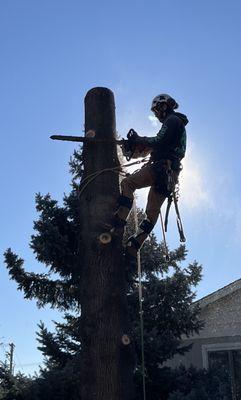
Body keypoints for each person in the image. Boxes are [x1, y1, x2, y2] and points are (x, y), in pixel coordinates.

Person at [112, 94, 188, 258]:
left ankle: (118, 222)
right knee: (152, 213)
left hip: (161, 168)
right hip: (170, 175)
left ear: (164, 106)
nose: (156, 114)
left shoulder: (172, 121)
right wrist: (135, 148)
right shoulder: (177, 125)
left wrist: (140, 139)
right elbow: (155, 146)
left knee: (128, 184)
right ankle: (134, 246)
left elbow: (159, 141)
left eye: (156, 110)